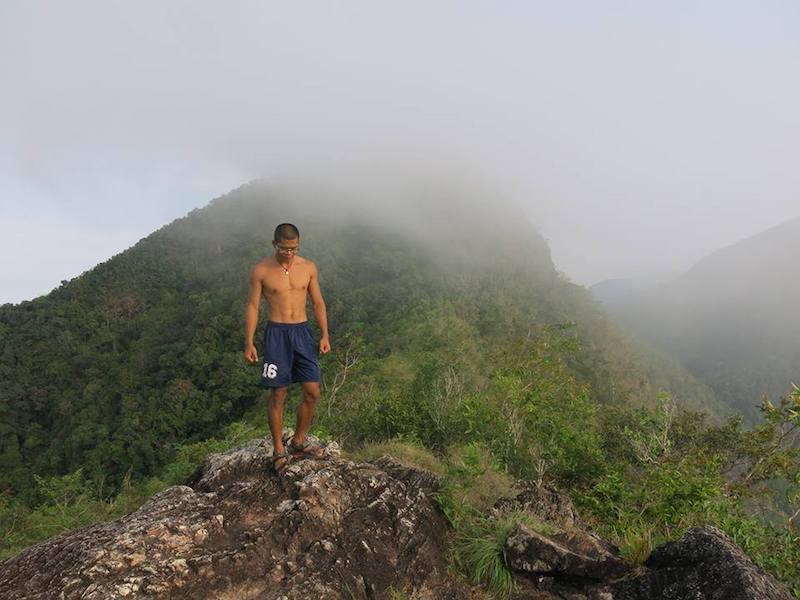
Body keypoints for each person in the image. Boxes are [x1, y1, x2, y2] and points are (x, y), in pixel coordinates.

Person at [244, 223, 331, 474]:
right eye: (285, 249)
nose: (290, 253)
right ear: (275, 245)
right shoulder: (261, 270)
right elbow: (252, 306)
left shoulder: (308, 268)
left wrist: (324, 334)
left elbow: (318, 302)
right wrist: (249, 341)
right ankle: (278, 450)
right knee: (278, 393)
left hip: (303, 332)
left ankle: (299, 441)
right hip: (277, 334)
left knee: (312, 391)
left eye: (294, 248)